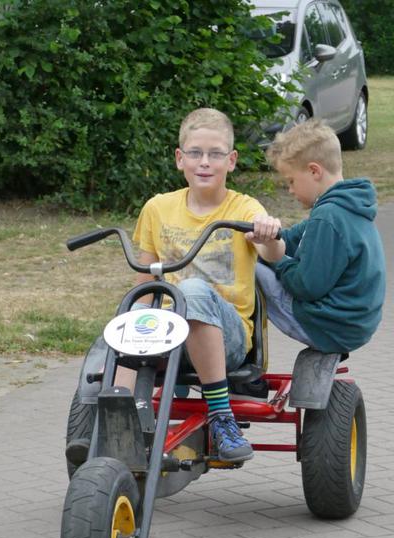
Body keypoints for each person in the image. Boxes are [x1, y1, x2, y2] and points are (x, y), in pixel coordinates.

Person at [121, 107, 269, 462]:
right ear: (179, 158)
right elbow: (146, 288)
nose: (204, 162)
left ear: (231, 161)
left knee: (192, 290)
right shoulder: (157, 208)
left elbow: (274, 253)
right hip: (168, 335)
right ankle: (113, 423)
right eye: (195, 153)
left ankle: (220, 416)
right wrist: (124, 336)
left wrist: (268, 233)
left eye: (215, 154)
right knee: (121, 326)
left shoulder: (245, 209)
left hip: (228, 339)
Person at [246, 118, 386, 354]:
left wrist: (276, 259)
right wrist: (266, 238)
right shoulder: (346, 206)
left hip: (329, 326)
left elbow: (306, 287)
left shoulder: (328, 217)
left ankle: (238, 349)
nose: (290, 190)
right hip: (351, 325)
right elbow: (290, 238)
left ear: (314, 171)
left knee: (248, 268)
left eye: (291, 181)